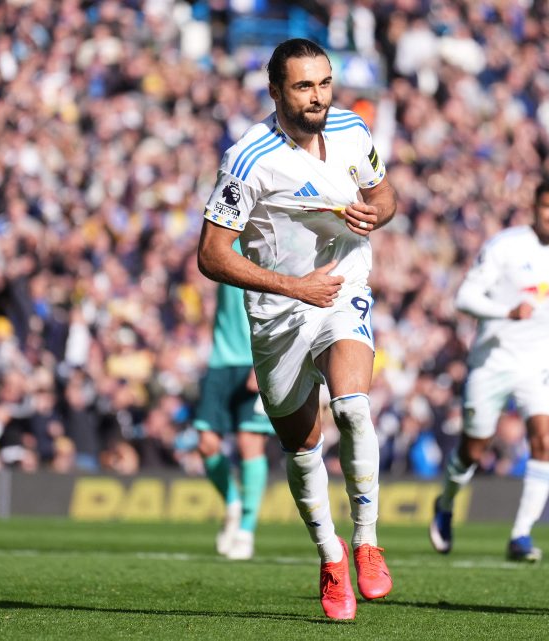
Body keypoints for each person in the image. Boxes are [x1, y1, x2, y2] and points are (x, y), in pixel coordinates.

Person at [197, 38, 396, 621]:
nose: (318, 97)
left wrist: (375, 213)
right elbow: (211, 254)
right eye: (304, 86)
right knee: (302, 445)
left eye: (324, 83)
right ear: (276, 91)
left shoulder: (353, 130)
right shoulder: (247, 159)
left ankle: (367, 540)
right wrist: (292, 287)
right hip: (278, 314)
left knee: (353, 407)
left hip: (343, 287)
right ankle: (331, 556)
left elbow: (385, 196)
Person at [429, 177, 549, 562]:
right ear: (535, 208)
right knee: (473, 449)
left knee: (544, 440)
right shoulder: (505, 246)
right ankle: (445, 503)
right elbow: (464, 298)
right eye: (548, 207)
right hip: (494, 359)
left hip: (539, 363)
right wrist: (507, 311)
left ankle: (521, 535)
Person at [193, 239, 274, 561]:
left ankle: (246, 530)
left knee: (249, 442)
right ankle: (233, 503)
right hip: (220, 359)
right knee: (206, 443)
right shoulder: (224, 235)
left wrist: (265, 359)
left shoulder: (268, 238)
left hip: (255, 357)